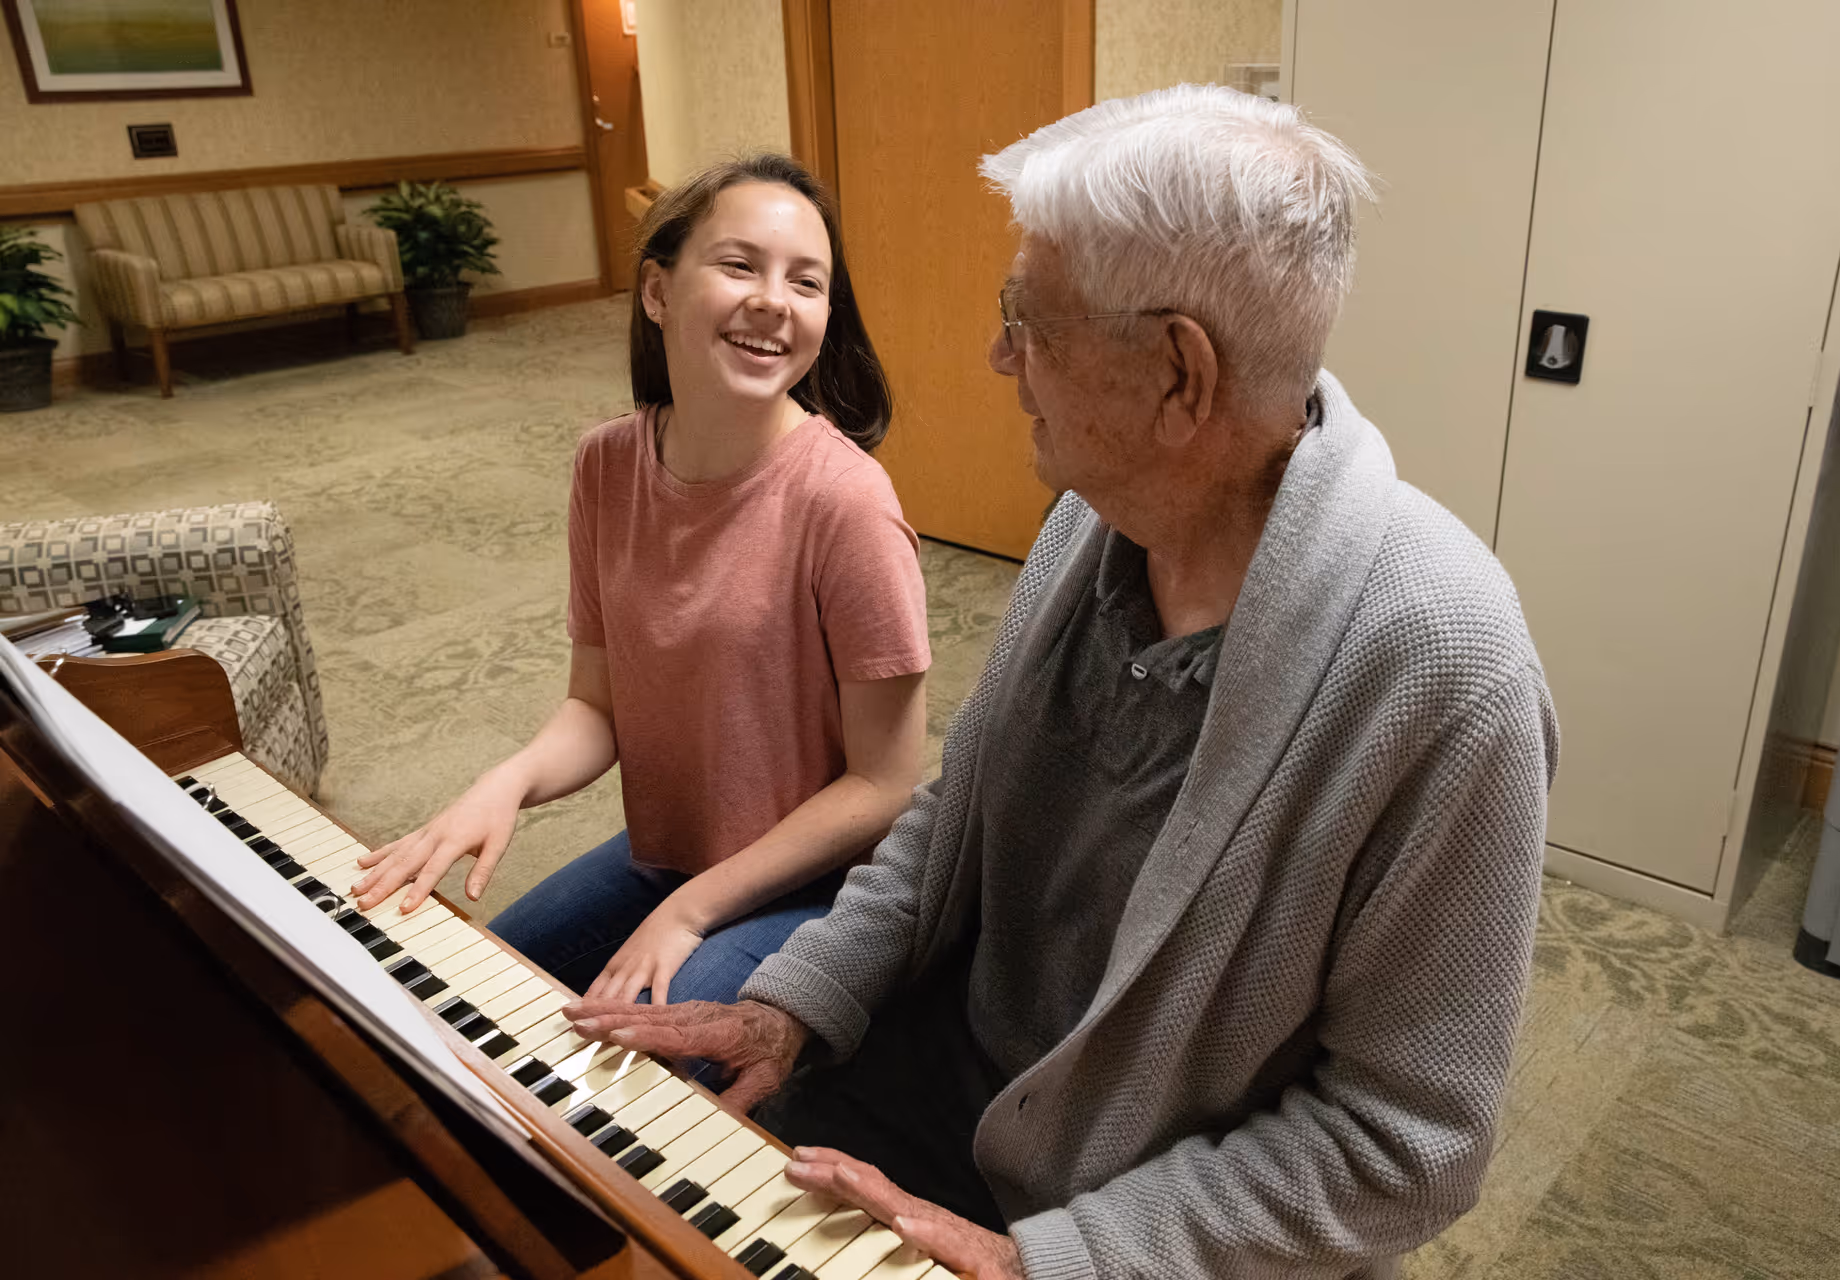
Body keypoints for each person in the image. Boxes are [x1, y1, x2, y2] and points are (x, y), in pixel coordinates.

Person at [566, 86, 1559, 1280]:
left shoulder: (1446, 665)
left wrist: (1059, 1256)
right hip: (938, 1092)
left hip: (1147, 1213)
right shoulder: (1090, 523)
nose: (999, 356)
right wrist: (800, 997)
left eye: (1027, 320)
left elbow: (1405, 1141)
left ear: (1179, 374)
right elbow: (953, 814)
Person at [353, 155, 932, 1023]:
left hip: (818, 887)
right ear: (657, 292)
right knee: (458, 999)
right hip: (670, 852)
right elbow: (598, 706)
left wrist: (689, 912)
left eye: (807, 282)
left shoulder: (844, 500)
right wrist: (504, 782)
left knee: (621, 1074)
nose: (775, 299)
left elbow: (885, 785)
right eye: (740, 265)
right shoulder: (607, 463)